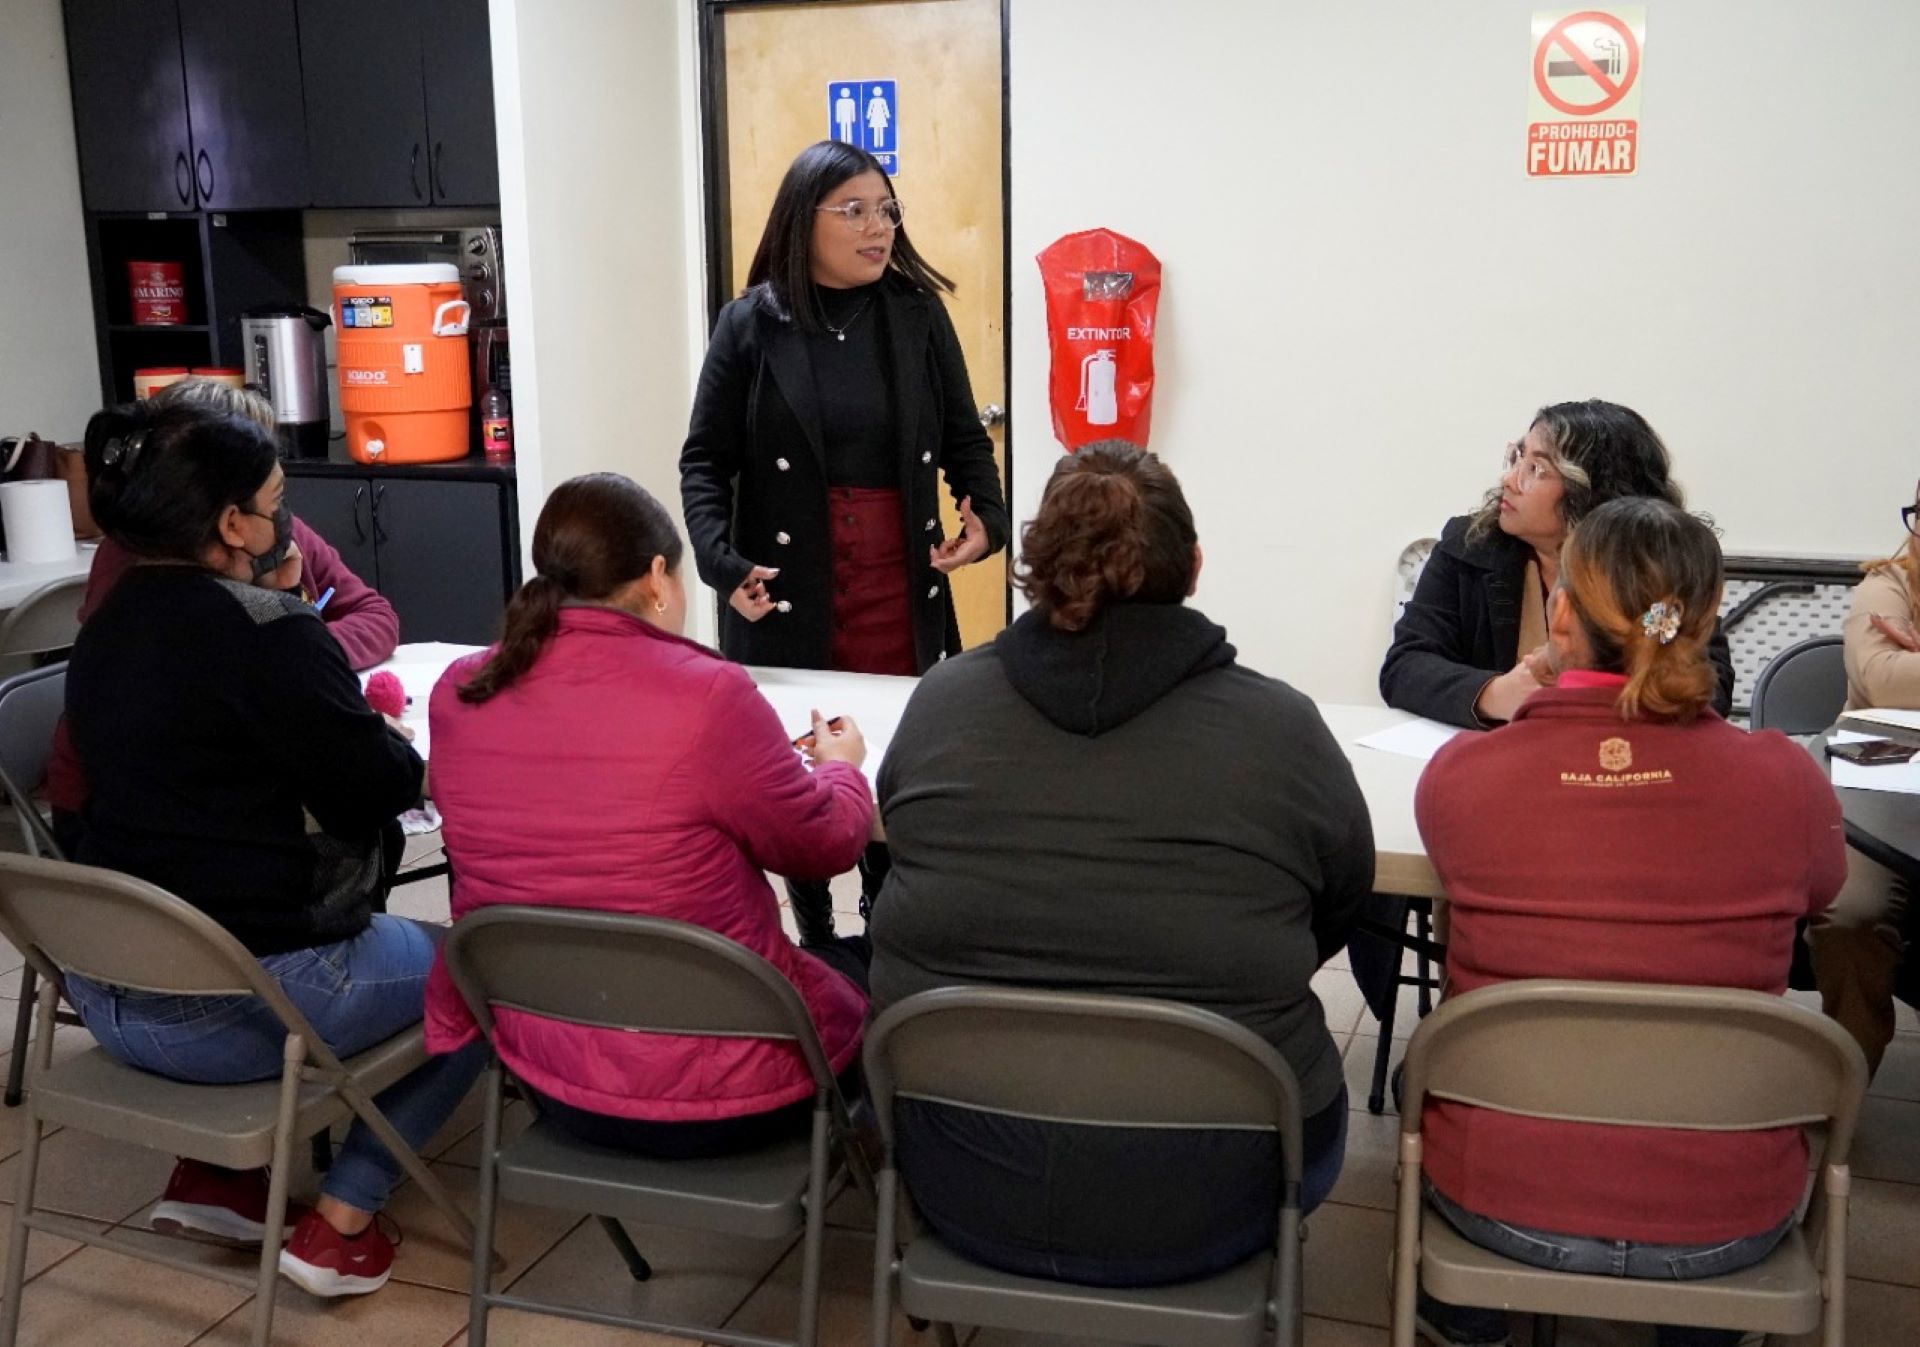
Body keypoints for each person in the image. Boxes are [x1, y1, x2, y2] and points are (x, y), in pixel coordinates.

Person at [868, 442, 1371, 1287]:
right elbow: (1340, 903)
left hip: (960, 1171)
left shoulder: (941, 703)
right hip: (1225, 1186)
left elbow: (901, 869)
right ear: (1196, 567)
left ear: (1037, 570)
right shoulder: (1283, 729)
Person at [59, 400, 482, 1298]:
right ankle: (346, 1217)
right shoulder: (268, 631)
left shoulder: (105, 627)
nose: (285, 515)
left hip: (108, 992)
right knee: (483, 973)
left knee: (205, 864)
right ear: (231, 522)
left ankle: (222, 1178)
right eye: (276, 497)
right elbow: (376, 788)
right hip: (239, 1004)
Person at [1411, 497, 1846, 1347]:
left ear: (1561, 612)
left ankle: (1468, 1317)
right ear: (1708, 615)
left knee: (1416, 1086)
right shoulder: (1787, 783)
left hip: (1502, 1203)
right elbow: (1822, 896)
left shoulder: (1461, 779)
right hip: (1726, 1219)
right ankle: (1704, 1326)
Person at [424, 474, 874, 1156]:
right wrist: (841, 765)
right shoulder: (709, 694)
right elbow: (825, 843)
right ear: (659, 577)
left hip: (552, 1076)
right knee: (880, 963)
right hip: (730, 1089)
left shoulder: (460, 690)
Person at [680, 138, 1009, 948]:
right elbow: (705, 460)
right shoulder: (751, 323)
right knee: (797, 755)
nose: (879, 226)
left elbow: (967, 441)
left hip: (898, 578)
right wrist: (723, 565)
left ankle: (884, 920)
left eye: (887, 209)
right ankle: (815, 926)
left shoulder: (916, 315)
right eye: (854, 210)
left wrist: (986, 523)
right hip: (792, 580)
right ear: (804, 218)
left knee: (893, 754)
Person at [44, 378, 398, 855]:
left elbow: (371, 614)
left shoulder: (130, 606)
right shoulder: (253, 625)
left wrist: (306, 655)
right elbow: (375, 788)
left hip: (164, 852)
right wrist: (299, 650)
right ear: (227, 514)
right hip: (164, 839)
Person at [1381, 400, 1735, 729]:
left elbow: (1708, 682)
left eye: (1535, 468)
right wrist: (1494, 694)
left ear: (1590, 492)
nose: (1509, 480)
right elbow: (1406, 666)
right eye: (1518, 458)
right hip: (1504, 757)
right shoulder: (1471, 546)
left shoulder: (1660, 564)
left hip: (1620, 759)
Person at [1822, 481, 1920, 1073]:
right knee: (1848, 912)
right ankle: (1847, 1079)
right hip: (1881, 772)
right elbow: (1886, 679)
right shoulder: (1888, 582)